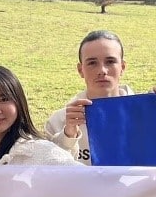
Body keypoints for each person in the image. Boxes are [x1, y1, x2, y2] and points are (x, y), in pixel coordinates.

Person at [45, 30, 134, 165]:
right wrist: (68, 135)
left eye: (110, 61)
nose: (102, 71)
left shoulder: (145, 114)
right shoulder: (58, 122)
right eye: (92, 63)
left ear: (122, 67)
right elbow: (48, 172)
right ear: (81, 70)